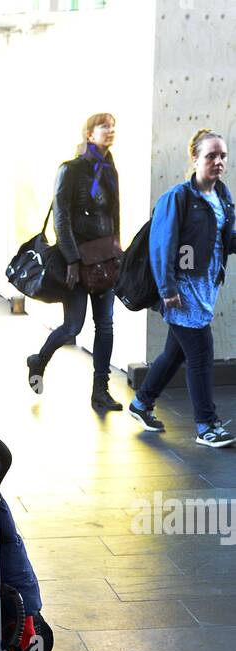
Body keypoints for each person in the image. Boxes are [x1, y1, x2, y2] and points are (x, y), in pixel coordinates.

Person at [129, 128, 235, 447]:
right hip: (182, 289)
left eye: (222, 155)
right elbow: (162, 245)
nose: (218, 161)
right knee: (201, 353)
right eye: (211, 155)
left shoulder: (222, 195)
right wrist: (167, 289)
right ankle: (207, 425)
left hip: (206, 287)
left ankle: (141, 402)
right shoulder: (178, 197)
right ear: (195, 158)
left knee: (175, 353)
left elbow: (225, 241)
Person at [26, 113, 123, 411]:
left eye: (113, 126)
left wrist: (117, 250)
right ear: (89, 133)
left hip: (105, 258)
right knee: (72, 327)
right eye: (104, 126)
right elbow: (61, 217)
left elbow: (113, 213)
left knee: (105, 325)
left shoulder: (109, 168)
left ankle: (100, 391)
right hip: (79, 260)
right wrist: (71, 259)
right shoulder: (70, 169)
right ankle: (39, 360)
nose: (111, 130)